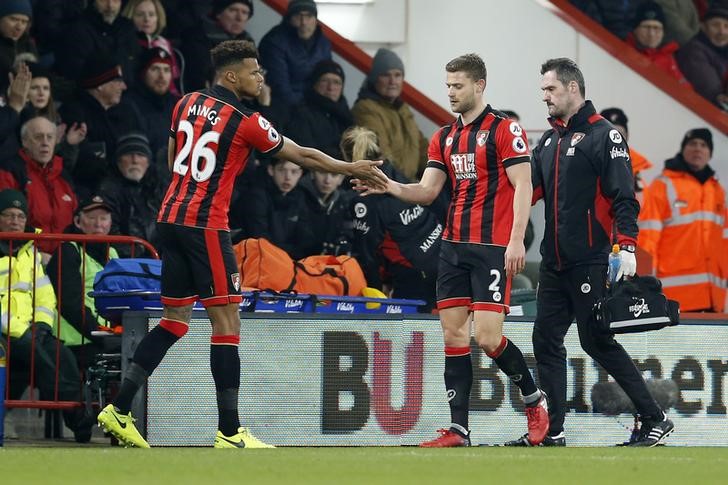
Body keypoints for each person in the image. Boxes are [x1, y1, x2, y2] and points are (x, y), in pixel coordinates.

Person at [96, 39, 386, 449]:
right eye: (254, 72)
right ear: (231, 75)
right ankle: (230, 432)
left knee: (175, 320)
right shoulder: (247, 120)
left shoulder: (185, 102)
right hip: (206, 227)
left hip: (170, 219)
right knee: (227, 326)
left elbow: (172, 153)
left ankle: (119, 408)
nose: (261, 77)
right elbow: (301, 154)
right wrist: (349, 166)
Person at [354, 53, 548, 447]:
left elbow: (523, 185)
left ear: (479, 86)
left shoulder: (503, 129)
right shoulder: (444, 136)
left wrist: (516, 239)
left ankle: (534, 399)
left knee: (489, 339)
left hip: (492, 248)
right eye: (448, 86)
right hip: (453, 247)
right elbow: (427, 191)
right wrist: (389, 186)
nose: (451, 93)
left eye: (458, 86)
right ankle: (459, 429)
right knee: (454, 334)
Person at [510, 57, 673, 447]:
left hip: (590, 259)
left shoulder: (606, 136)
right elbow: (527, 194)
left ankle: (654, 417)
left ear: (572, 88)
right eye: (544, 89)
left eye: (550, 89)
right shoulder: (548, 142)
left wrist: (627, 245)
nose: (544, 96)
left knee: (596, 341)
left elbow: (624, 198)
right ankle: (554, 431)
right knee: (545, 340)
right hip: (554, 263)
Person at [0, 189, 92, 443]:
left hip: (30, 329)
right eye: (8, 215)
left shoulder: (29, 251)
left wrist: (41, 326)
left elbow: (44, 295)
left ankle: (79, 422)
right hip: (7, 330)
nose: (15, 221)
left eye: (19, 215)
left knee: (63, 356)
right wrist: (21, 331)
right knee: (38, 359)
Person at [343, 127, 442, 312]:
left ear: (346, 159)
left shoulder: (364, 196)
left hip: (414, 273)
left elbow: (368, 255)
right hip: (444, 257)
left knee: (411, 336)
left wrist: (376, 294)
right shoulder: (395, 174)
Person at [638, 128, 727, 312]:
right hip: (675, 297)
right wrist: (645, 286)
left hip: (714, 299)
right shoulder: (663, 185)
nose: (698, 149)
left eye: (703, 145)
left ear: (709, 153)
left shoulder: (718, 192)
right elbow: (648, 238)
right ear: (683, 149)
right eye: (692, 144)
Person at [47, 194, 119, 353]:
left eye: (104, 218)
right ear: (77, 222)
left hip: (106, 337)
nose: (98, 224)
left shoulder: (113, 252)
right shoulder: (68, 251)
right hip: (74, 341)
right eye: (92, 218)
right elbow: (69, 303)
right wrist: (100, 335)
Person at [0, 115, 78, 257]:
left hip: (63, 260)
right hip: (25, 258)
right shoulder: (10, 172)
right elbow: (9, 221)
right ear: (25, 141)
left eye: (50, 137)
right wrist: (34, 254)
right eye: (38, 137)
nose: (45, 143)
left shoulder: (64, 176)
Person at [352, 48, 428, 182]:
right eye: (386, 75)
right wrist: (408, 187)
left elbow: (422, 148)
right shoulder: (365, 109)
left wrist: (437, 173)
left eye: (398, 75)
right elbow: (381, 156)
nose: (393, 81)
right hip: (387, 187)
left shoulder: (403, 109)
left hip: (409, 186)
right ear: (375, 79)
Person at [97, 132, 166, 257]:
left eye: (140, 155)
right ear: (118, 161)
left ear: (148, 162)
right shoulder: (108, 190)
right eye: (128, 154)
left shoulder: (160, 188)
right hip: (127, 261)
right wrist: (136, 253)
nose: (135, 160)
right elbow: (109, 230)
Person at [258, 0, 332, 112]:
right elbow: (279, 87)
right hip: (282, 108)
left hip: (314, 106)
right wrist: (306, 111)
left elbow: (328, 77)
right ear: (289, 18)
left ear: (316, 19)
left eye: (309, 16)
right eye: (298, 16)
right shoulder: (274, 41)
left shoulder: (323, 43)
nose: (304, 22)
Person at [242, 158, 316, 259]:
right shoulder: (256, 197)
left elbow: (306, 239)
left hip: (291, 259)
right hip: (259, 258)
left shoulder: (301, 197)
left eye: (294, 172)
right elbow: (259, 238)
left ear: (300, 173)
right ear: (271, 170)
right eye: (281, 170)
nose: (288, 177)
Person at [179, 0, 255, 93]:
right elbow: (200, 78)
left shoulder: (249, 44)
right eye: (233, 10)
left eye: (245, 12)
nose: (239, 18)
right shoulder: (196, 37)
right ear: (218, 14)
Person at [284, 60, 353, 159]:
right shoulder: (301, 114)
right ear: (314, 83)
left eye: (337, 82)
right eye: (325, 80)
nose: (331, 87)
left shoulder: (346, 115)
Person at [122, 0, 182, 96]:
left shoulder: (165, 45)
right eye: (140, 14)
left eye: (151, 14)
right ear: (130, 17)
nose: (146, 19)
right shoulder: (124, 44)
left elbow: (173, 84)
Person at [625, 1, 691, 86]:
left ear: (663, 32)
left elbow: (686, 90)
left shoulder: (668, 57)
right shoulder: (625, 51)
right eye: (646, 27)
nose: (651, 34)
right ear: (635, 29)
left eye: (656, 28)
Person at [676, 6, 728, 109]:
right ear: (703, 27)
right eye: (715, 25)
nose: (722, 31)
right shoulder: (694, 50)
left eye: (726, 26)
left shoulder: (723, 51)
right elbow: (712, 93)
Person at [600, 107, 653, 198]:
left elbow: (647, 210)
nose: (615, 139)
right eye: (608, 133)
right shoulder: (585, 167)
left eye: (620, 133)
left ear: (627, 136)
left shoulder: (636, 173)